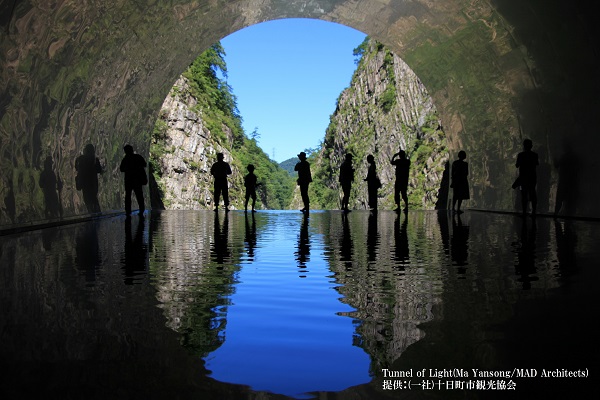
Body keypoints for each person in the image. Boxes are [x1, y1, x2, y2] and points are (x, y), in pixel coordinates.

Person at [119, 144, 147, 216]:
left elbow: (121, 169)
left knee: (128, 195)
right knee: (139, 195)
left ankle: (128, 211)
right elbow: (144, 164)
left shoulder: (125, 159)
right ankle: (141, 209)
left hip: (129, 180)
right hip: (137, 179)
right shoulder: (138, 157)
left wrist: (128, 169)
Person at [75, 143, 103, 213]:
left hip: (85, 184)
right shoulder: (95, 160)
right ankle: (97, 217)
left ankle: (91, 216)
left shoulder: (80, 159)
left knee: (88, 202)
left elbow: (77, 168)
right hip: (93, 184)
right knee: (94, 200)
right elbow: (99, 170)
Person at [515, 139, 539, 216]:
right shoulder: (535, 155)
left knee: (524, 194)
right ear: (531, 146)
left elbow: (517, 165)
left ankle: (525, 211)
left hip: (523, 178)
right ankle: (534, 210)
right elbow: (537, 164)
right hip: (532, 178)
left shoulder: (521, 155)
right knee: (532, 193)